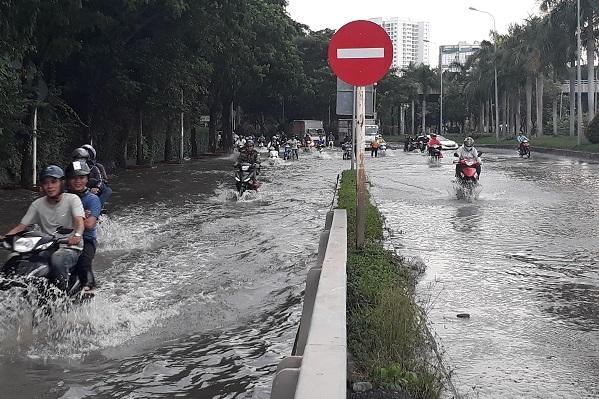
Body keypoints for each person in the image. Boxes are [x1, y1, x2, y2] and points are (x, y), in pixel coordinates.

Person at [1, 166, 85, 291]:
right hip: (45, 245)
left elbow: (79, 222)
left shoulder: (72, 199)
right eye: (45, 183)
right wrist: (5, 238)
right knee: (14, 257)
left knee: (57, 258)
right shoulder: (37, 204)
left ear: (61, 182)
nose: (49, 186)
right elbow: (21, 227)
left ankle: (60, 295)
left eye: (53, 182)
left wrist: (77, 235)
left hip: (69, 247)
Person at [66, 160, 102, 296]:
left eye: (81, 178)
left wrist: (73, 218)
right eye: (74, 178)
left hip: (86, 240)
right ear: (68, 180)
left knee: (84, 263)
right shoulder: (62, 197)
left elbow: (89, 224)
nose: (77, 181)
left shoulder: (92, 199)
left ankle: (88, 289)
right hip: (62, 238)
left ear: (87, 179)